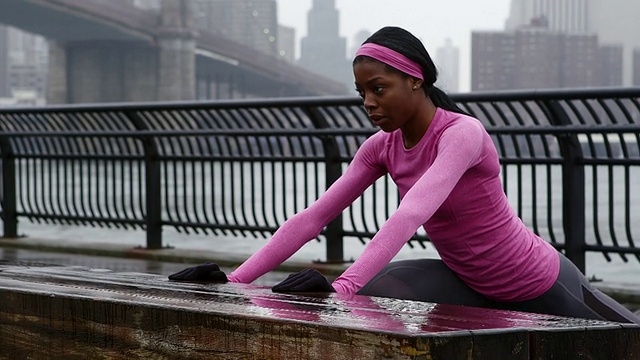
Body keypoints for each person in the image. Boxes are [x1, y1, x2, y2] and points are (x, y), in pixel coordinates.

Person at [169, 26, 640, 325]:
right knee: (378, 293)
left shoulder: (463, 133)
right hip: (464, 278)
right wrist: (237, 280)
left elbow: (412, 212)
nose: (369, 103)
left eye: (379, 89)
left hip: (536, 280)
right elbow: (314, 217)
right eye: (361, 93)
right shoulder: (381, 146)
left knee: (625, 338)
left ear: (415, 80)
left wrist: (342, 284)